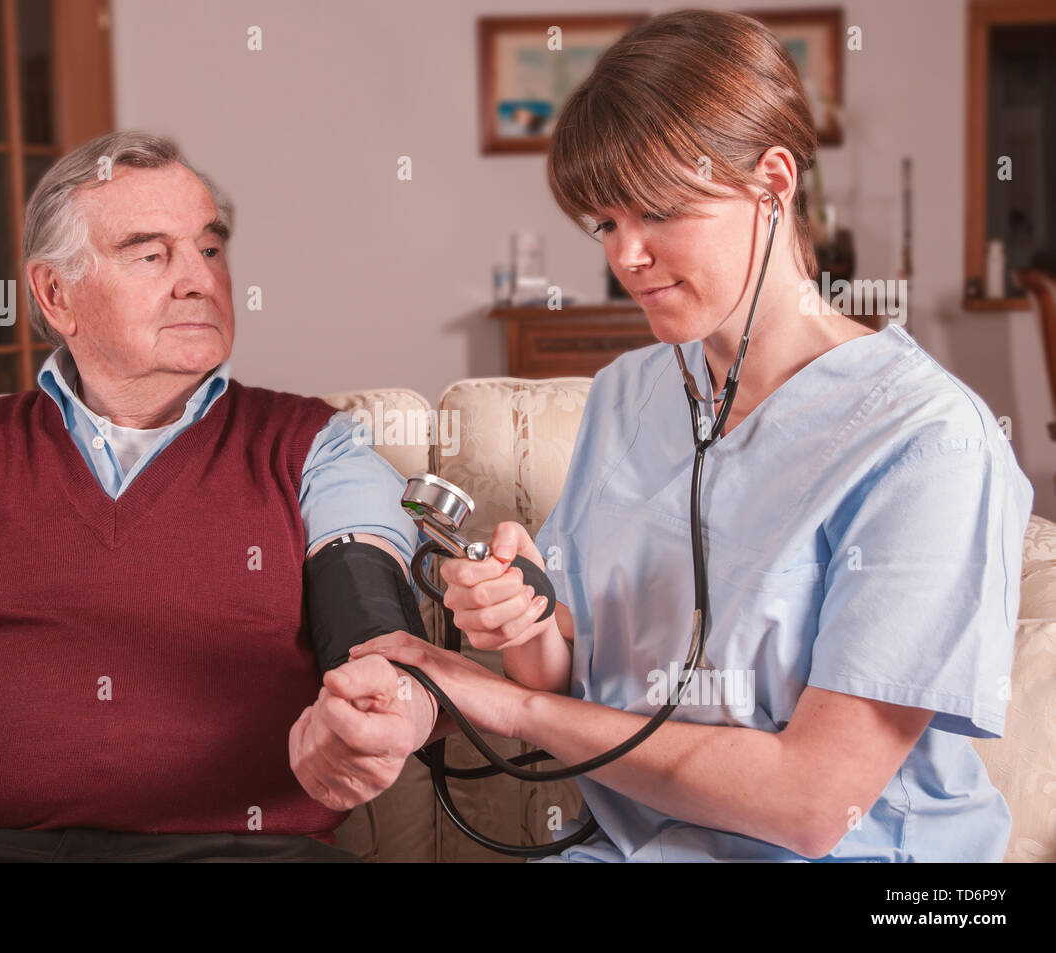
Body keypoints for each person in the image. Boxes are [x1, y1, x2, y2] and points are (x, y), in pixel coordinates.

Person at [347, 10, 1034, 862]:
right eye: (604, 222)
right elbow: (566, 664)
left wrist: (498, 702)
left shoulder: (930, 443)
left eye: (659, 209)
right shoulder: (630, 393)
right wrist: (522, 622)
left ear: (773, 183)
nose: (627, 254)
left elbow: (812, 804)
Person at [0, 131, 440, 862]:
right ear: (57, 294)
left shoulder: (315, 447)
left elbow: (367, 598)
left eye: (209, 249)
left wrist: (382, 692)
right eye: (151, 255)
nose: (198, 280)